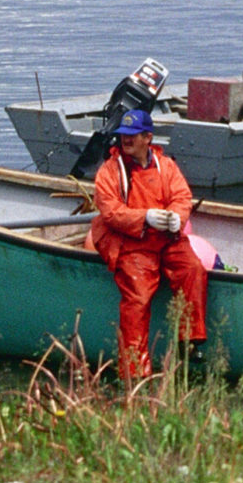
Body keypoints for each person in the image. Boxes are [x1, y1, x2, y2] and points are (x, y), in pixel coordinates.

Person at [89, 109, 210, 378]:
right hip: (131, 242)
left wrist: (176, 218)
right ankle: (134, 372)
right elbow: (110, 212)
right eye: (123, 136)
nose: (126, 140)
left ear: (148, 137)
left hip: (165, 239)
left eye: (133, 136)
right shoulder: (110, 171)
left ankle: (189, 342)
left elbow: (181, 196)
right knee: (138, 296)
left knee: (192, 269)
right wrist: (145, 218)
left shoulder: (165, 166)